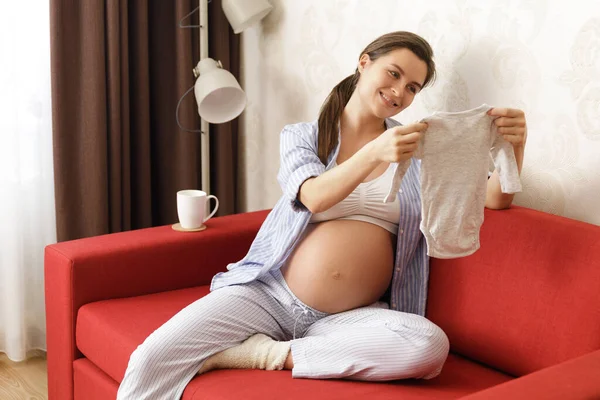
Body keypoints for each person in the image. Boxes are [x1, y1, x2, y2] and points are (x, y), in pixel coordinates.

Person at [117, 31, 527, 399]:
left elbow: (494, 200)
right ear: (364, 62)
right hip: (268, 296)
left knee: (428, 345)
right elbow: (312, 196)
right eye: (394, 73)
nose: (400, 91)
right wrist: (375, 152)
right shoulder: (304, 137)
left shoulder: (417, 150)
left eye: (413, 87)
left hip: (350, 320)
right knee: (152, 356)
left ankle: (263, 353)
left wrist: (514, 148)